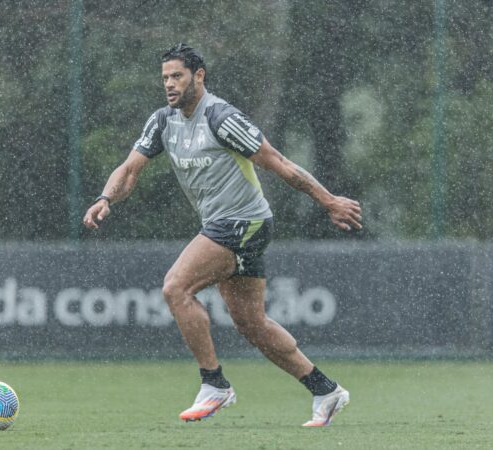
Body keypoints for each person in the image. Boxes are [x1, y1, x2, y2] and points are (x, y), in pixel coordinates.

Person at [83, 44, 362, 426]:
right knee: (252, 324)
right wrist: (105, 198)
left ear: (199, 76)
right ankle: (325, 390)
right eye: (165, 77)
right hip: (226, 225)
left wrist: (328, 201)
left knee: (175, 288)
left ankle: (214, 384)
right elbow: (130, 169)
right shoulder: (163, 121)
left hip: (243, 222)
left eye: (177, 75)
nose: (169, 84)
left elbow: (278, 162)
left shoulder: (222, 118)